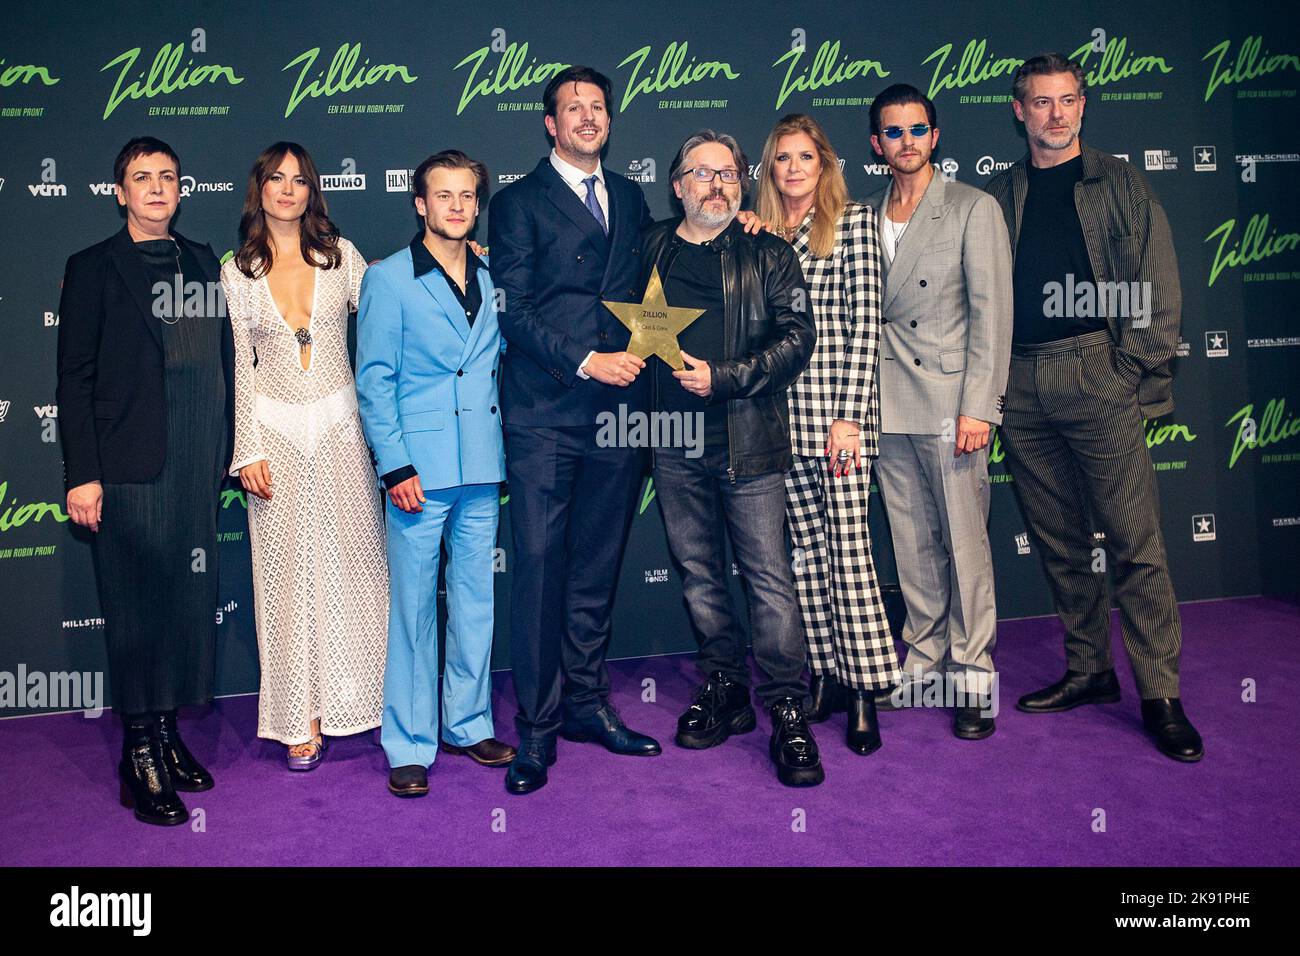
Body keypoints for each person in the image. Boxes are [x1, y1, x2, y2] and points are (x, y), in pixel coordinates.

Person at [984, 54, 1202, 761]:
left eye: (1067, 100)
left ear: (1083, 105)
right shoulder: (1000, 194)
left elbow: (1158, 287)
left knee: (1135, 546)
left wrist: (1126, 369)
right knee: (1060, 543)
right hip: (1019, 383)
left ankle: (1161, 696)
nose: (1055, 114)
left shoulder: (1121, 182)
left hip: (1097, 373)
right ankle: (1090, 670)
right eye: (1041, 102)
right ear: (1019, 110)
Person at [488, 66, 660, 796]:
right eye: (572, 108)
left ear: (609, 121)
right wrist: (586, 360)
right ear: (550, 124)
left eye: (597, 107)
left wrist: (743, 221)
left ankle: (588, 704)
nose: (587, 117)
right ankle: (537, 726)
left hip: (619, 415)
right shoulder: (515, 202)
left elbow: (656, 277)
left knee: (596, 566)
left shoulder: (631, 196)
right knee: (537, 570)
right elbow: (512, 308)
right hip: (546, 414)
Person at [56, 137, 233, 825]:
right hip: (129, 465)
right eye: (142, 177)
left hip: (195, 461)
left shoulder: (201, 261)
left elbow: (223, 355)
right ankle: (140, 755)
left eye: (167, 177)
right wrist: (84, 474)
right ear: (121, 192)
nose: (157, 187)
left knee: (184, 606)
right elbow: (74, 379)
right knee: (136, 611)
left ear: (181, 189)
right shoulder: (93, 267)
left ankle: (166, 734)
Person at [641, 129, 821, 786]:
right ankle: (726, 687)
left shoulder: (769, 252)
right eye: (702, 173)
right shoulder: (651, 247)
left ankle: (787, 707)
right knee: (700, 577)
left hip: (750, 443)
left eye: (728, 173)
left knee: (770, 581)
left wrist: (724, 377)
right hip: (674, 446)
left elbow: (798, 338)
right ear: (677, 185)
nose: (716, 184)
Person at [221, 142, 389, 771]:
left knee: (358, 571)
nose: (287, 189)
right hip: (275, 438)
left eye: (298, 179)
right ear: (259, 189)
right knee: (285, 582)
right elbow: (239, 366)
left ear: (311, 190)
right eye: (276, 178)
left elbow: (388, 301)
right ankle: (301, 718)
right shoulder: (237, 271)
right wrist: (246, 450)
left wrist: (452, 258)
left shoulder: (340, 255)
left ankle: (358, 702)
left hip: (343, 430)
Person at [357, 150, 516, 798]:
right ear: (420, 204)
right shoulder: (389, 279)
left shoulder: (493, 275)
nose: (456, 206)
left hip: (482, 463)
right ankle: (409, 742)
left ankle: (468, 723)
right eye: (443, 195)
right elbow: (375, 381)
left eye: (467, 195)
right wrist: (394, 463)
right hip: (417, 473)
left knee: (475, 603)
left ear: (477, 204)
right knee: (415, 611)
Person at [862, 85, 1013, 739]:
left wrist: (980, 405)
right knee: (913, 547)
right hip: (887, 404)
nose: (907, 142)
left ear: (936, 134)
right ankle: (924, 663)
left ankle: (973, 674)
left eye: (917, 129)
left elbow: (993, 314)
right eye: (893, 132)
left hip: (952, 406)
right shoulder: (864, 215)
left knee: (965, 546)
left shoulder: (972, 207)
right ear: (877, 145)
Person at [755, 112, 901, 755]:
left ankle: (865, 688)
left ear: (825, 165)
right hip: (779, 421)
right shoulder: (761, 235)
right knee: (805, 558)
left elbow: (865, 326)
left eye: (805, 157)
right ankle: (826, 675)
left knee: (849, 552)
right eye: (782, 158)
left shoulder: (854, 223)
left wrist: (851, 417)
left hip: (839, 420)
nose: (793, 168)